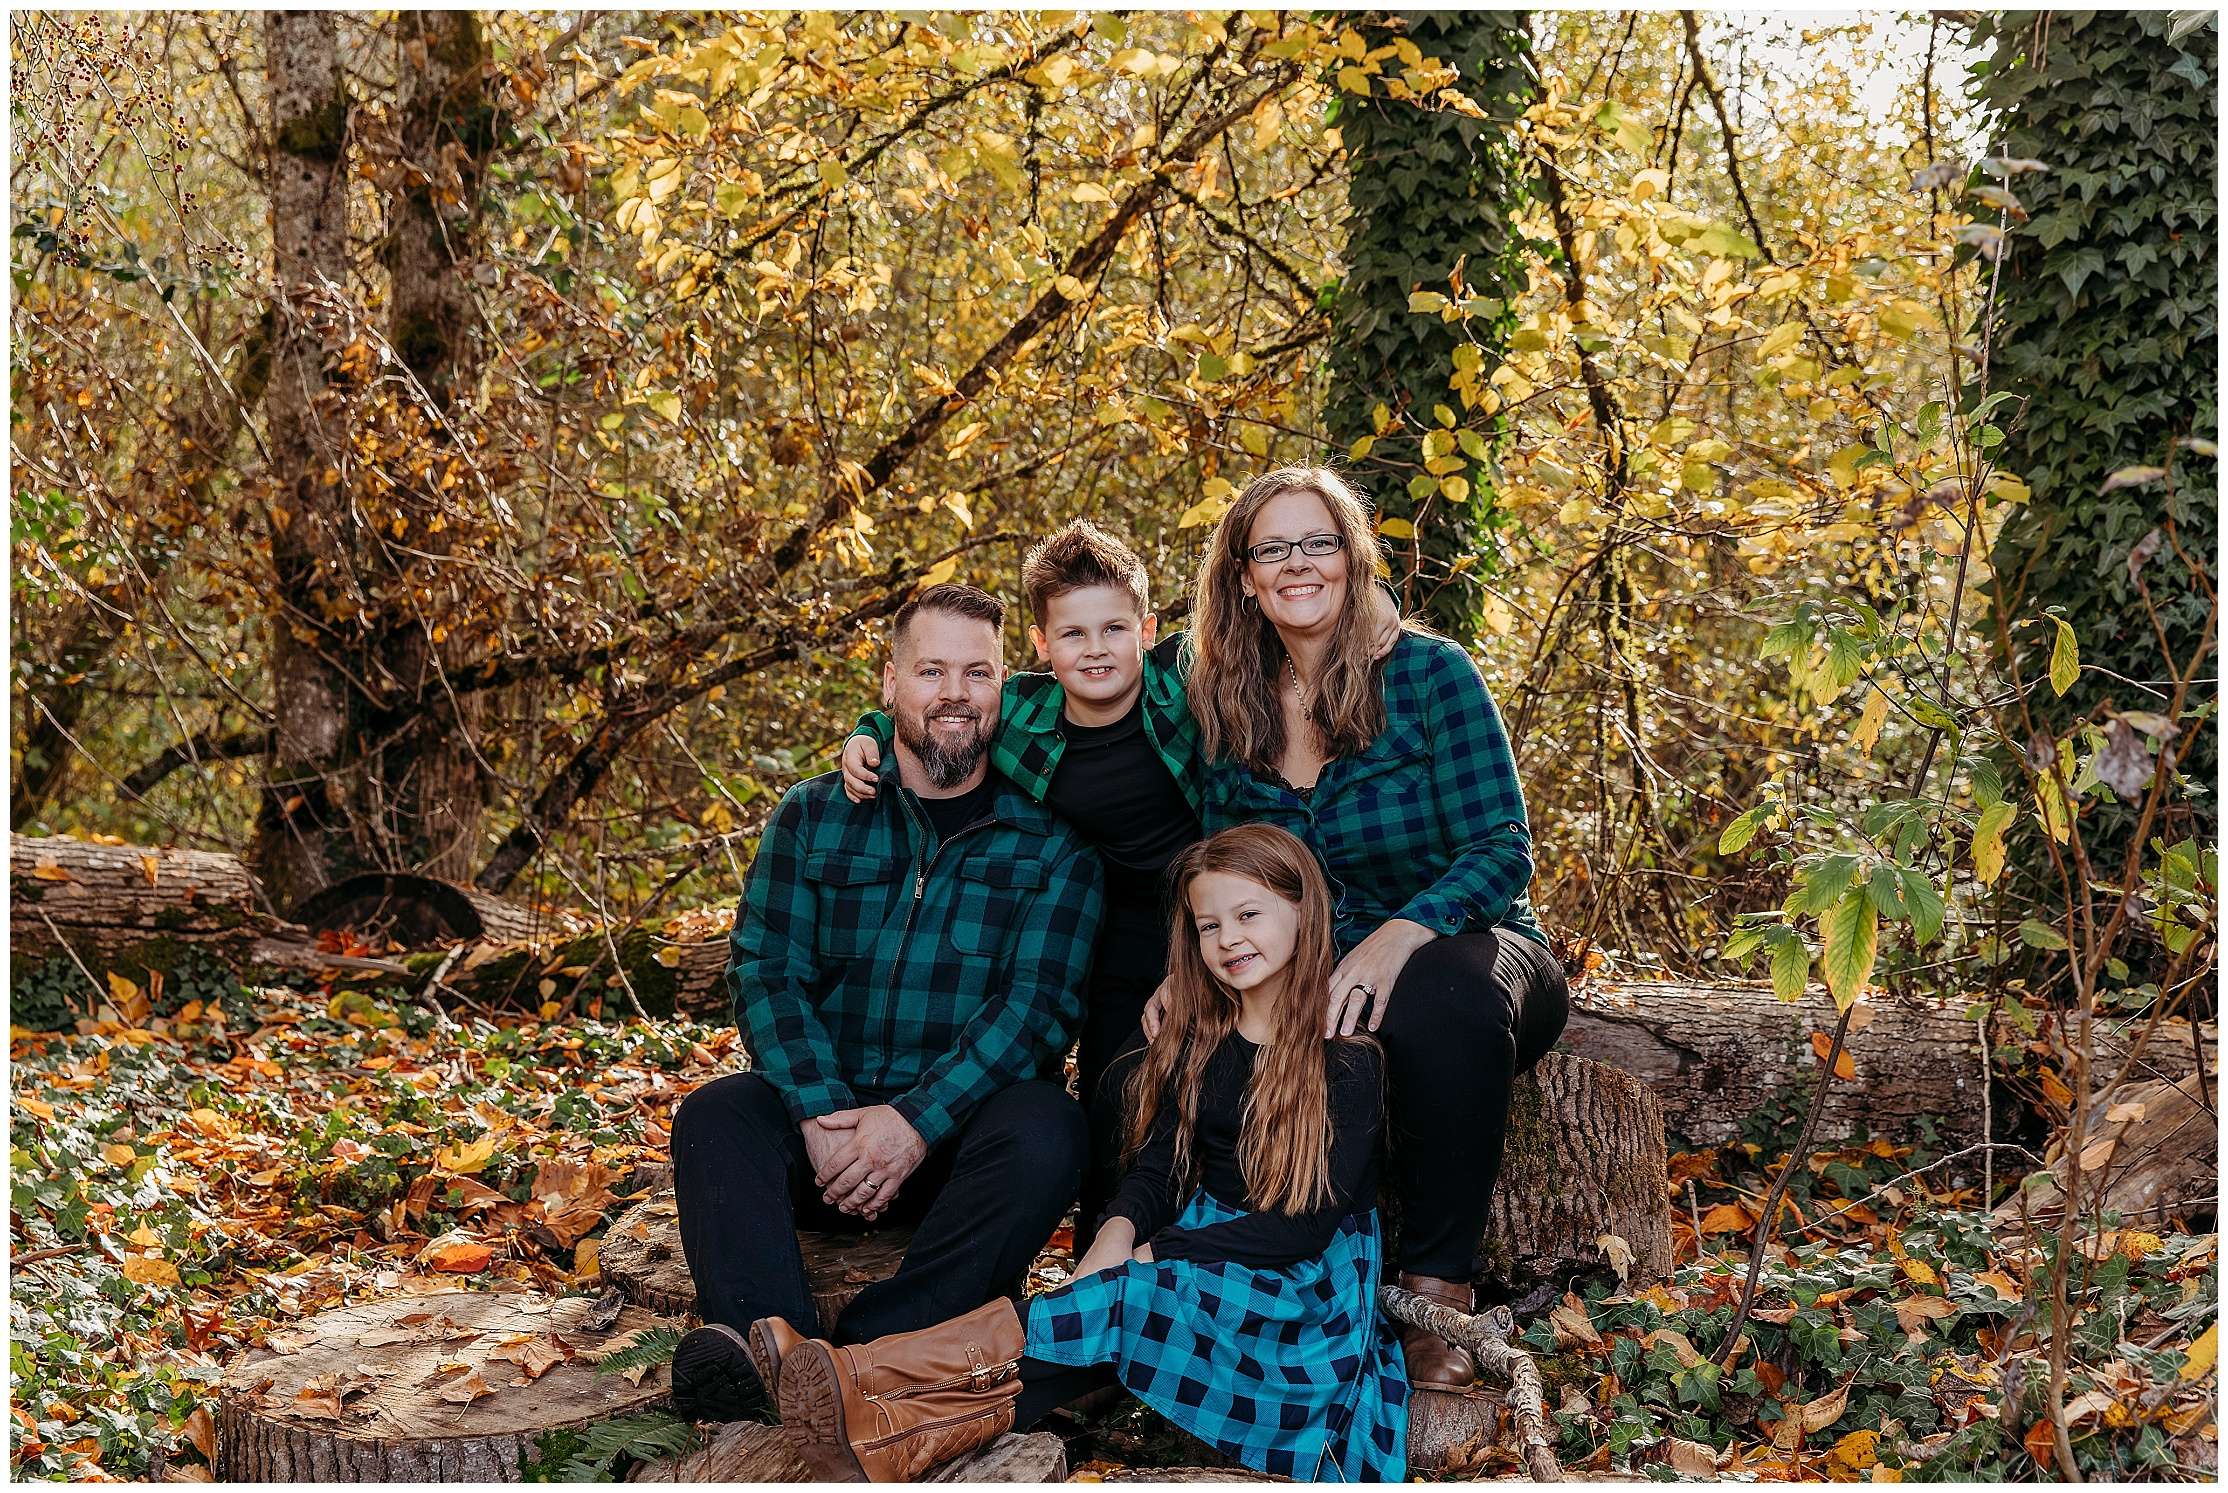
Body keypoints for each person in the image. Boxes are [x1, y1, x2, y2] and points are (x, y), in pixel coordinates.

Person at [756, 824, 1408, 1483]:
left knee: (1122, 1304)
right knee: (1100, 1311)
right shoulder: (1199, 1038)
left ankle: (860, 1370)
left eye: (1248, 914)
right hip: (1207, 1255)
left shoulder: (1347, 1060)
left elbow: (1300, 1228)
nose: (1229, 939)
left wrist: (1152, 1254)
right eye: (1209, 925)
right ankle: (885, 1435)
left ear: (1303, 908)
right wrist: (1116, 1233)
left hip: (1300, 1294)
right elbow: (1161, 1168)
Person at [839, 521, 1400, 1241]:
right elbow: (942, 710)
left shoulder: (1188, 687)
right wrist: (867, 730)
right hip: (1101, 919)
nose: (1096, 648)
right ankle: (1103, 1235)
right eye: (1072, 634)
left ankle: (1247, 1220)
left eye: (1114, 628)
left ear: (1147, 629)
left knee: (1228, 1056)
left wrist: (1374, 600)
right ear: (1041, 646)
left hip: (1208, 912)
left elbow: (1281, 614)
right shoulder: (1021, 714)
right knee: (1117, 1080)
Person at [1154, 465, 1570, 1392]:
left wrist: (1406, 929)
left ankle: (1437, 1300)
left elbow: (1505, 846)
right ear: (1244, 577)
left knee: (1441, 995)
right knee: (1174, 1049)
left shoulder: (1427, 675)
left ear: (1353, 556)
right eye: (1274, 548)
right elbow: (1076, 675)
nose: (1299, 563)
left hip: (1481, 948)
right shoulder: (1226, 700)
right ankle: (1195, 1295)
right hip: (1318, 979)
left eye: (1320, 542)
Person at [667, 583, 1106, 1422]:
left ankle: (879, 1345)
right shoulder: (812, 816)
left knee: (1052, 1129)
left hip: (951, 1148)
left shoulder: (1052, 847)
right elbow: (763, 967)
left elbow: (1036, 1010)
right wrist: (826, 1116)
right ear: (889, 682)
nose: (953, 694)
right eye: (930, 669)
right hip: (817, 1131)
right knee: (715, 1115)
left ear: (1005, 686)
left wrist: (911, 1123)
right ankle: (768, 1344)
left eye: (976, 673)